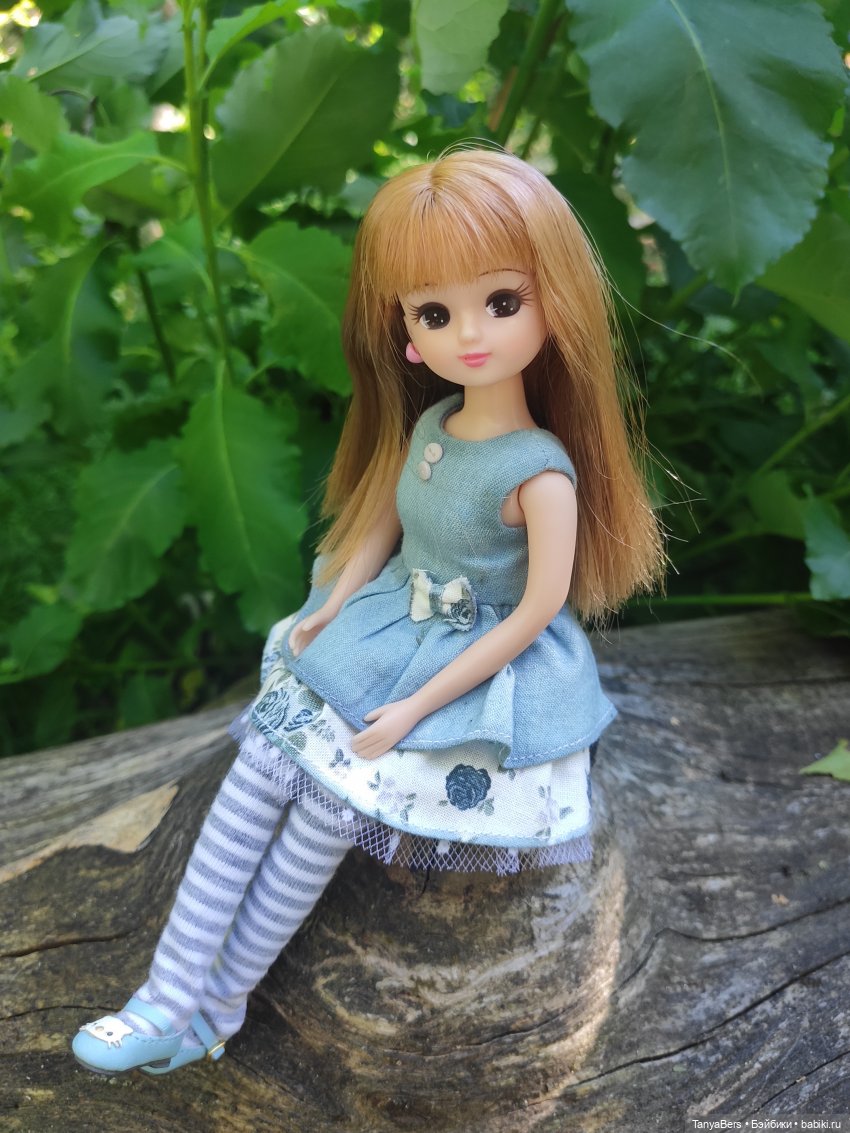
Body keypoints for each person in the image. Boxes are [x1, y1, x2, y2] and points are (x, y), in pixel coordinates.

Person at [71, 146, 664, 1076]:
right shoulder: (431, 426)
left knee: (325, 817)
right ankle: (163, 996)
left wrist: (418, 706)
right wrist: (335, 598)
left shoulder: (541, 474)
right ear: (406, 330)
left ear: (555, 304)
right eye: (436, 312)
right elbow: (385, 519)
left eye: (501, 301)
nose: (470, 334)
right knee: (260, 771)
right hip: (386, 626)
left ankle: (214, 1008)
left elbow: (531, 615)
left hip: (466, 663)